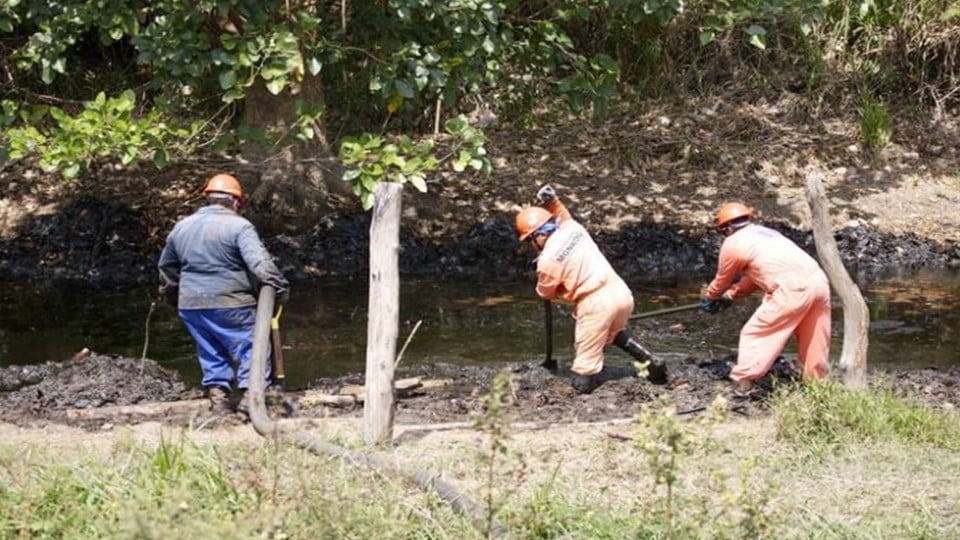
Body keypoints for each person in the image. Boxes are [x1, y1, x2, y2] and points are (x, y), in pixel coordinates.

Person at [515, 185, 667, 394]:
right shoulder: (573, 229)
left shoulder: (547, 260)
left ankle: (635, 374)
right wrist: (553, 201)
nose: (531, 246)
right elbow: (563, 215)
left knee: (582, 380)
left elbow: (545, 293)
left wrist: (552, 283)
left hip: (596, 305)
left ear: (537, 237)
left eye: (529, 242)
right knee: (612, 332)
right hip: (621, 293)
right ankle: (650, 360)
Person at [158, 173, 289, 414]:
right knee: (252, 346)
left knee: (210, 348)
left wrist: (172, 296)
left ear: (207, 198)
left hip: (191, 304)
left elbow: (167, 269)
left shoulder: (181, 227)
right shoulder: (239, 226)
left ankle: (218, 399)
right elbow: (261, 265)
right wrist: (279, 288)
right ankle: (252, 397)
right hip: (231, 301)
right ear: (237, 202)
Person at [700, 202, 830, 393]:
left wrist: (710, 298)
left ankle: (742, 382)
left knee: (755, 333)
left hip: (790, 290)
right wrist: (732, 295)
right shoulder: (767, 234)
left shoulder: (733, 243)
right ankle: (816, 384)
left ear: (726, 229)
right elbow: (757, 277)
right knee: (813, 336)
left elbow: (722, 280)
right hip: (819, 283)